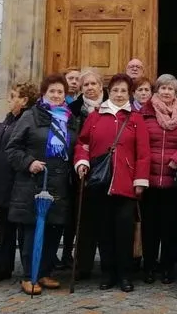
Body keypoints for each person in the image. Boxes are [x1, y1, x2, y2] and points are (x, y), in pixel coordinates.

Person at [74, 74, 151, 292]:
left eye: (123, 91)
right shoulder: (96, 116)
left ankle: (125, 274)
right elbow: (83, 143)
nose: (119, 94)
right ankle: (107, 273)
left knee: (124, 231)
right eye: (116, 90)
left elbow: (143, 154)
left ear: (129, 94)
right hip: (99, 183)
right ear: (110, 91)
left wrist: (140, 181)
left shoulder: (135, 118)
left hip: (126, 184)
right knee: (104, 231)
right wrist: (81, 162)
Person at [6, 75, 80, 295]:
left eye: (60, 92)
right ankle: (30, 275)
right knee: (32, 230)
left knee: (53, 230)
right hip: (34, 183)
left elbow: (75, 147)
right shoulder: (30, 116)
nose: (56, 96)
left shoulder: (70, 119)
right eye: (52, 92)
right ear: (43, 94)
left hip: (60, 184)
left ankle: (46, 272)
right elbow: (12, 149)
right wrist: (29, 163)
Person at [138, 74, 177, 284]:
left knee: (170, 227)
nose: (166, 92)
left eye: (170, 89)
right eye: (162, 88)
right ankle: (149, 266)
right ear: (157, 90)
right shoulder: (145, 112)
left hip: (173, 179)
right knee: (150, 226)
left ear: (176, 92)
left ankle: (167, 266)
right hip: (150, 179)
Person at [0, 80, 38, 283]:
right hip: (3, 185)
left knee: (24, 231)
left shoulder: (28, 120)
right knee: (5, 231)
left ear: (24, 100)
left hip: (19, 185)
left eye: (13, 96)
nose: (9, 100)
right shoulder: (9, 119)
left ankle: (28, 271)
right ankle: (3, 268)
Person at [63, 68, 106, 274]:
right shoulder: (73, 108)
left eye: (93, 84)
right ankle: (81, 264)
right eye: (86, 84)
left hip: (106, 169)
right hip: (80, 168)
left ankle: (109, 263)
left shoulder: (111, 106)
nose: (90, 88)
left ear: (101, 86)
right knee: (82, 218)